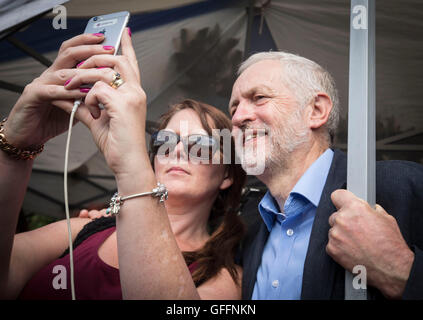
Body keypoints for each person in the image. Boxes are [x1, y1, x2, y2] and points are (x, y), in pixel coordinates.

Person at [0, 29, 245, 299]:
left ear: (226, 175)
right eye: (165, 141)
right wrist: (15, 147)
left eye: (199, 146)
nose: (176, 150)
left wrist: (130, 162)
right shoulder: (86, 228)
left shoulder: (225, 276)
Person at [228, 51, 423, 300]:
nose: (238, 117)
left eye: (259, 98)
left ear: (316, 110)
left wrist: (401, 270)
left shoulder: (400, 186)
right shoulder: (249, 224)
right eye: (234, 107)